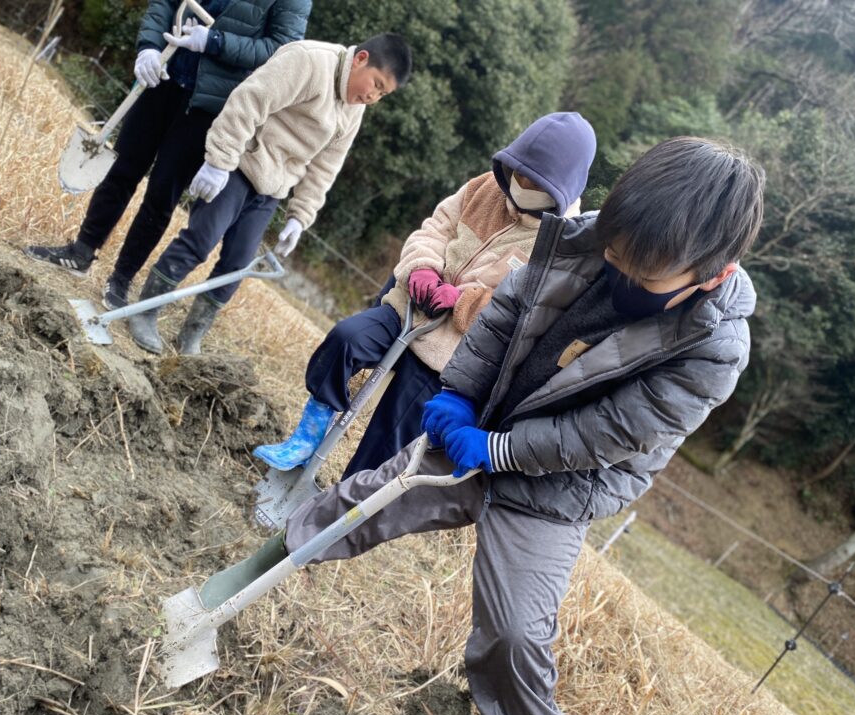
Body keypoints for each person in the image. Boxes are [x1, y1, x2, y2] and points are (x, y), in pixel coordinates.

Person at [234, 137, 764, 715]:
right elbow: (504, 315)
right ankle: (247, 576)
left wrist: (501, 450)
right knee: (364, 499)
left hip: (558, 489)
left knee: (513, 634)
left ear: (711, 273)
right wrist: (460, 393)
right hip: (482, 426)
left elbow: (606, 433)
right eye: (615, 256)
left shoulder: (713, 347)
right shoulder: (582, 242)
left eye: (644, 275)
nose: (619, 273)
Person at [253, 112, 597, 475]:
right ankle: (308, 436)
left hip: (448, 351)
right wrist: (423, 268)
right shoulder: (485, 188)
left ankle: (339, 511)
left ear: (559, 188)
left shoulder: (556, 247)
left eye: (533, 181)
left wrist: (463, 301)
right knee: (345, 340)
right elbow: (436, 228)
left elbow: (520, 312)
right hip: (409, 306)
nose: (520, 184)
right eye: (518, 172)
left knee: (389, 438)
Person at [128, 33, 413, 355]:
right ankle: (144, 311)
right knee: (200, 241)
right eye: (375, 84)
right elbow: (249, 101)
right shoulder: (309, 60)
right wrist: (219, 161)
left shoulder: (353, 109)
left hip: (272, 187)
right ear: (361, 59)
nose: (373, 97)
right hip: (240, 164)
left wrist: (300, 216)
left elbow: (325, 166)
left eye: (383, 94)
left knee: (237, 264)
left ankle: (192, 334)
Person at [25, 0, 312, 311]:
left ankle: (121, 278)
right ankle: (81, 252)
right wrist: (148, 46)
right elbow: (165, 2)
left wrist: (214, 42)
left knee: (162, 194)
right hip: (163, 74)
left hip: (208, 104)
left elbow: (281, 50)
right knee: (121, 169)